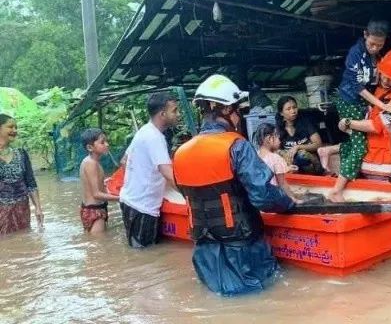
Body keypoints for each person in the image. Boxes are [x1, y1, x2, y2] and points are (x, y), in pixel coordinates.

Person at [173, 74, 298, 296]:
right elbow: (263, 196)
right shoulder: (236, 146)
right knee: (260, 300)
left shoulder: (180, 153)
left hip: (205, 252)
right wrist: (288, 203)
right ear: (225, 110)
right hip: (243, 249)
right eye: (237, 110)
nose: (239, 117)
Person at [330, 20, 391, 201]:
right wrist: (382, 105)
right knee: (360, 147)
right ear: (365, 34)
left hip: (363, 104)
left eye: (379, 45)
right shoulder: (355, 54)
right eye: (372, 43)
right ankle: (336, 190)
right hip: (350, 101)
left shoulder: (380, 56)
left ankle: (327, 153)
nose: (374, 48)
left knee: (357, 141)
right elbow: (358, 87)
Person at [319, 49, 391, 182]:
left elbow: (376, 126)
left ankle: (330, 153)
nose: (386, 80)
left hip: (378, 162)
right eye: (384, 74)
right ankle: (329, 151)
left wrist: (348, 122)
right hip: (366, 155)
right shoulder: (376, 86)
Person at [119, 92, 180, 248]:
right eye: (174, 110)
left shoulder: (144, 131)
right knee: (145, 257)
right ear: (162, 114)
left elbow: (124, 161)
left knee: (141, 252)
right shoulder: (155, 138)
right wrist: (190, 196)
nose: (178, 114)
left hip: (131, 201)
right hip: (143, 207)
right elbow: (168, 173)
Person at [0, 114, 43, 236]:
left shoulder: (21, 154)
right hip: (1, 211)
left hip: (22, 209)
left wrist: (38, 208)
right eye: (10, 127)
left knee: (24, 241)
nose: (14, 130)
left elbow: (30, 183)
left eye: (16, 127)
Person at [78, 128, 119, 234]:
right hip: (94, 210)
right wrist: (121, 198)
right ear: (90, 147)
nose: (107, 144)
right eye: (102, 142)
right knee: (98, 246)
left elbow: (94, 186)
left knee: (97, 244)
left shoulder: (92, 162)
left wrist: (104, 182)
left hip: (92, 208)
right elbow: (96, 194)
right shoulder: (91, 164)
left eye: (106, 141)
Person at [275, 96, 323, 174]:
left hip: (311, 165)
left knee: (302, 156)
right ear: (281, 113)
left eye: (294, 107)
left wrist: (298, 147)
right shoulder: (279, 128)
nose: (293, 111)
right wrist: (284, 155)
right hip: (291, 165)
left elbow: (318, 144)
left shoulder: (305, 123)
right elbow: (275, 149)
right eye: (288, 109)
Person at [255, 123, 302, 199]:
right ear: (269, 139)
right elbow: (282, 184)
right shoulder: (275, 158)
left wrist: (287, 168)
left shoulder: (256, 155)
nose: (280, 140)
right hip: (274, 200)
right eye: (277, 136)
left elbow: (268, 170)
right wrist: (294, 199)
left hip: (260, 198)